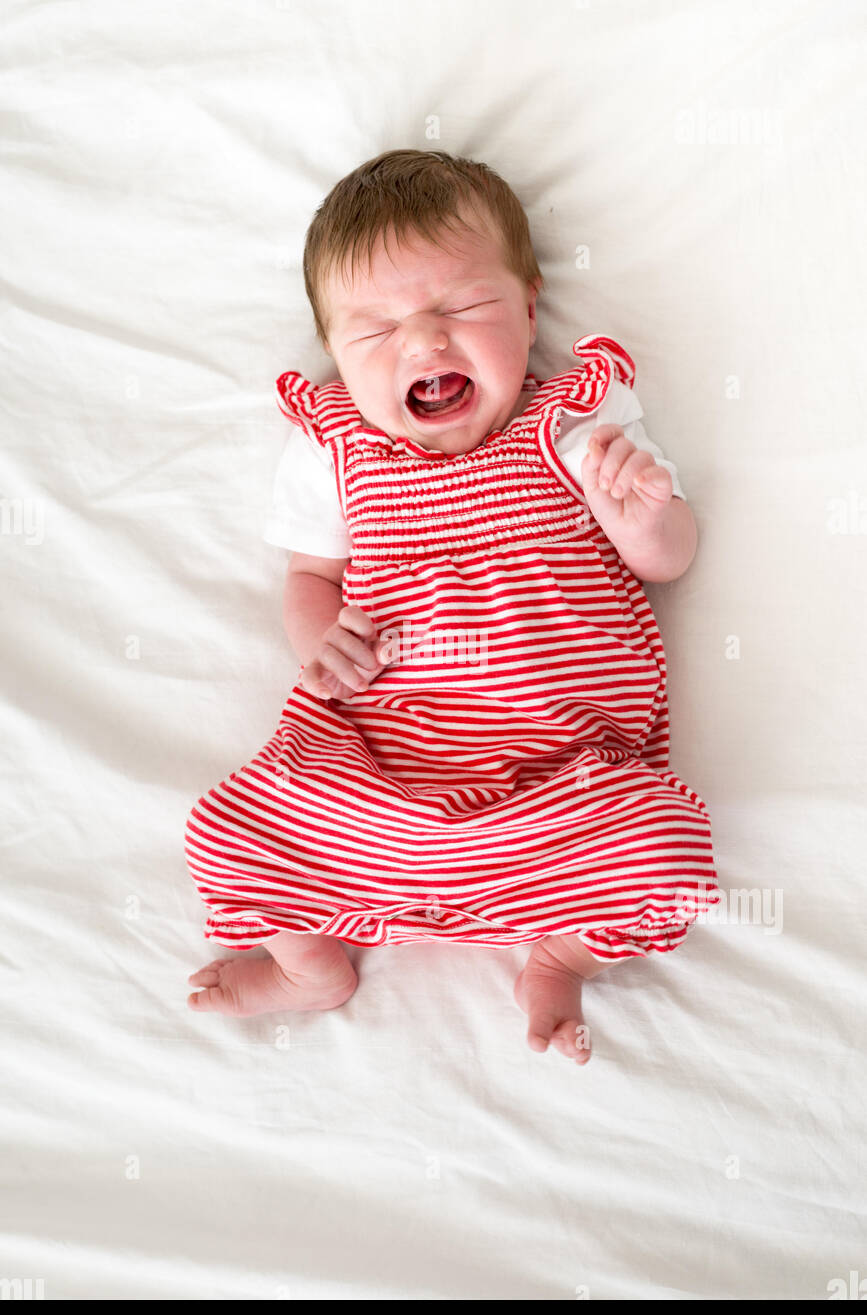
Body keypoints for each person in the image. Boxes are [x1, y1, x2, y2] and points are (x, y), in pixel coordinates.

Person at [184, 149, 719, 1065]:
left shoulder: (572, 422)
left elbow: (666, 563)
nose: (424, 344)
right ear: (335, 359)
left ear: (529, 305)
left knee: (672, 847)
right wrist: (321, 641)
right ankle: (312, 968)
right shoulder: (335, 451)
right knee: (223, 832)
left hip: (564, 777)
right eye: (377, 329)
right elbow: (311, 578)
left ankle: (558, 953)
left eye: (462, 308)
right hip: (379, 775)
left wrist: (648, 519)